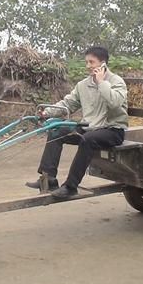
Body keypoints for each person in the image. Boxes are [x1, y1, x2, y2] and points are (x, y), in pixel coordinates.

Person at [26, 46, 128, 198]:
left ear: (103, 64)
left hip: (112, 130)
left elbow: (114, 102)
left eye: (91, 62)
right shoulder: (83, 85)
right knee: (56, 130)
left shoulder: (116, 82)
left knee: (87, 140)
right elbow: (68, 104)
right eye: (86, 62)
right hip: (88, 127)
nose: (88, 66)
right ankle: (49, 179)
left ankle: (70, 187)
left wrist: (101, 83)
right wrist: (46, 113)